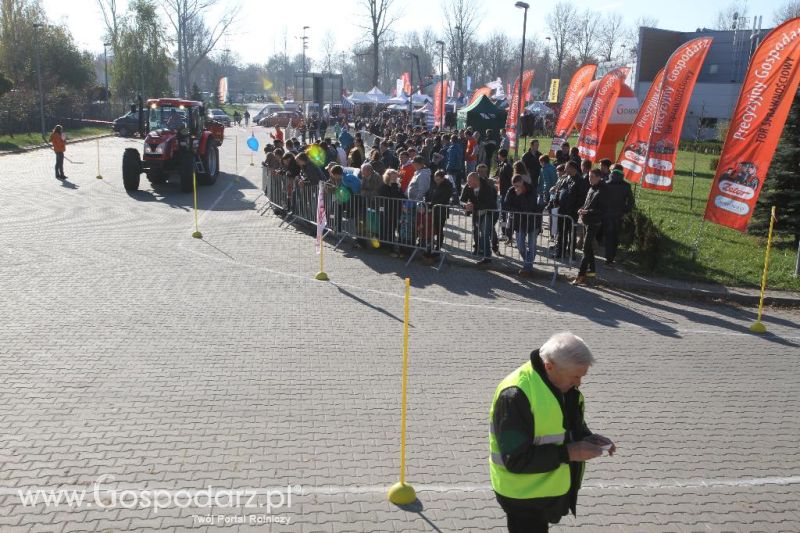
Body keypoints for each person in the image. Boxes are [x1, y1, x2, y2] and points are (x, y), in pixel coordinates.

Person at [490, 332, 614, 532]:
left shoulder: (563, 387)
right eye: (575, 376)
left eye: (581, 377)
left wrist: (587, 437)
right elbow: (515, 459)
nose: (579, 384)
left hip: (544, 490)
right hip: (522, 497)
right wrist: (570, 452)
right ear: (549, 366)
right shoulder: (514, 396)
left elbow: (565, 425)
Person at [574, 169, 607, 284]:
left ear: (599, 177)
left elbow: (601, 210)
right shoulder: (591, 187)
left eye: (592, 177)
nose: (589, 179)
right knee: (588, 247)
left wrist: (587, 212)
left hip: (594, 222)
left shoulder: (603, 190)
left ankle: (581, 275)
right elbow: (587, 203)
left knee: (585, 248)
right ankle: (591, 271)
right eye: (589, 176)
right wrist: (582, 208)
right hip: (586, 221)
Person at [504, 175, 541, 277]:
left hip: (532, 222)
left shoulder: (531, 190)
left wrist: (520, 196)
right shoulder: (511, 191)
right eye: (514, 185)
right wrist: (517, 210)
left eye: (518, 185)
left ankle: (527, 268)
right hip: (519, 222)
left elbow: (529, 208)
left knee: (532, 245)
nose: (516, 188)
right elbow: (506, 205)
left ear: (522, 183)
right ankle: (528, 263)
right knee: (520, 245)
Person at [460, 171, 497, 265]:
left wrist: (473, 207)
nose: (467, 183)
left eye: (469, 181)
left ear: (476, 181)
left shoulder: (487, 187)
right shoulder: (468, 187)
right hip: (476, 213)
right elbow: (461, 200)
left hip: (488, 213)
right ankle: (478, 249)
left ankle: (487, 256)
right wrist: (465, 205)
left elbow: (489, 203)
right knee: (476, 231)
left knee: (484, 233)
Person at [603, 165, 634, 265]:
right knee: (615, 236)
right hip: (619, 215)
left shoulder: (606, 184)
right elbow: (631, 202)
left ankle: (608, 259)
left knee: (608, 236)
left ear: (612, 171)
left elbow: (601, 199)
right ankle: (613, 256)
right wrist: (625, 210)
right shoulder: (626, 186)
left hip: (607, 215)